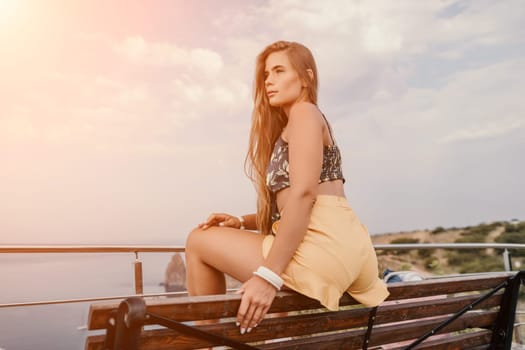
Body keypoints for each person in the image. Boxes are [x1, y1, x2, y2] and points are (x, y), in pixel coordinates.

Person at [185, 40, 389, 335]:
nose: (269, 81)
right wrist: (242, 222)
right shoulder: (302, 121)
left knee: (197, 240)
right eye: (266, 74)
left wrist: (268, 277)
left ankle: (206, 341)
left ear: (307, 76)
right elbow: (307, 199)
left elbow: (304, 195)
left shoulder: (304, 113)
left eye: (279, 71)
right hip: (348, 247)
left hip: (323, 248)